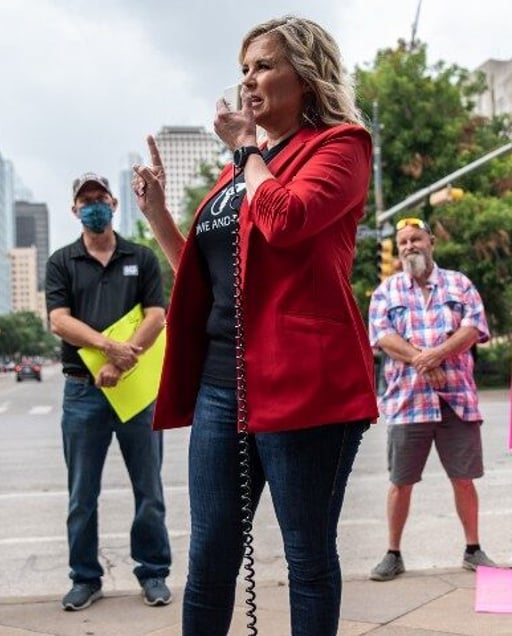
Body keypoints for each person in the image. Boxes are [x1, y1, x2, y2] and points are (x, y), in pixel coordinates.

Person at [132, 16, 378, 636]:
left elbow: (288, 220)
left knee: (307, 558)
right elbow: (206, 269)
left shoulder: (340, 146)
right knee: (210, 557)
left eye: (264, 66)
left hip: (303, 385)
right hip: (223, 385)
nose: (248, 81)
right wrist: (160, 214)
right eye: (243, 69)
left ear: (306, 73)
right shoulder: (244, 166)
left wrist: (245, 153)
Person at [46, 172, 172, 611]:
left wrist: (125, 358)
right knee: (82, 494)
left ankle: (153, 573)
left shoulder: (142, 257)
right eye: (85, 200)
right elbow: (59, 321)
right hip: (83, 393)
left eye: (100, 198)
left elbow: (157, 314)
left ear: (114, 204)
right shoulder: (62, 261)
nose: (93, 205)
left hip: (136, 389)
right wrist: (107, 348)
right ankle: (85, 578)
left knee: (149, 489)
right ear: (74, 209)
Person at [367, 217, 494, 581]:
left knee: (464, 478)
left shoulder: (460, 284)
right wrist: (425, 361)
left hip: (457, 400)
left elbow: (473, 329)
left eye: (416, 239)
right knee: (400, 481)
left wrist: (436, 355)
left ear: (431, 241)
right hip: (408, 403)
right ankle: (393, 553)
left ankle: (473, 549)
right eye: (403, 241)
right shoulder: (386, 292)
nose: (409, 246)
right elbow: (383, 337)